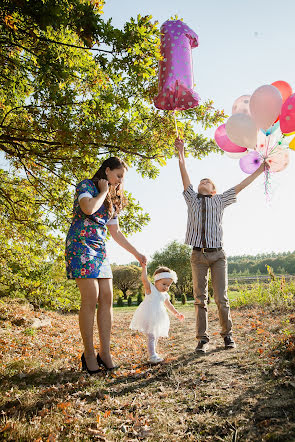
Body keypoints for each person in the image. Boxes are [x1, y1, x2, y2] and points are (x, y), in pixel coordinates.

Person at [175, 137, 268, 353]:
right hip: (198, 256)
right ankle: (202, 340)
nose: (203, 182)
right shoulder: (192, 199)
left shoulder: (221, 200)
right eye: (202, 181)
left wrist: (260, 170)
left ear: (214, 190)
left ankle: (228, 336)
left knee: (221, 298)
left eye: (208, 181)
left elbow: (241, 186)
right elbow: (184, 173)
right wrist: (181, 152)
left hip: (218, 256)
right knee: (200, 299)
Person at [65, 157, 146, 373]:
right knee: (90, 297)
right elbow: (88, 209)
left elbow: (115, 233)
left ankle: (105, 353)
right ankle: (89, 354)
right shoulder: (86, 186)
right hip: (81, 244)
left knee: (107, 298)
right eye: (118, 176)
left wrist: (137, 253)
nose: (120, 181)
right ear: (107, 171)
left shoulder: (114, 199)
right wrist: (102, 192)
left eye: (122, 178)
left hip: (99, 248)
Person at [130, 264, 184, 363]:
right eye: (164, 284)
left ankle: (153, 352)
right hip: (149, 315)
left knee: (156, 335)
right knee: (151, 335)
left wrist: (177, 313)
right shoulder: (150, 289)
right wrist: (144, 267)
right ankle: (152, 356)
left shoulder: (165, 295)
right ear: (156, 281)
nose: (166, 287)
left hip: (158, 317)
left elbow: (169, 305)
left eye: (168, 285)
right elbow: (144, 279)